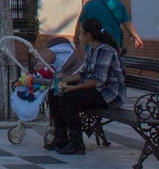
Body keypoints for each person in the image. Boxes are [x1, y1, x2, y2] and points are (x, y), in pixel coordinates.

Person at [48, 15, 126, 155]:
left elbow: (98, 81)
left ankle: (77, 143)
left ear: (88, 35)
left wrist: (72, 88)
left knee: (69, 98)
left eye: (81, 33)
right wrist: (64, 81)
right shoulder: (91, 50)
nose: (79, 36)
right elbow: (83, 73)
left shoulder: (104, 51)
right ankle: (61, 136)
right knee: (55, 92)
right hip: (97, 90)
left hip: (109, 94)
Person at [74, 0, 143, 52]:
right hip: (113, 43)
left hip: (93, 45)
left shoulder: (88, 5)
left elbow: (80, 23)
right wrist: (136, 37)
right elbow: (127, 23)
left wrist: (76, 38)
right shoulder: (118, 4)